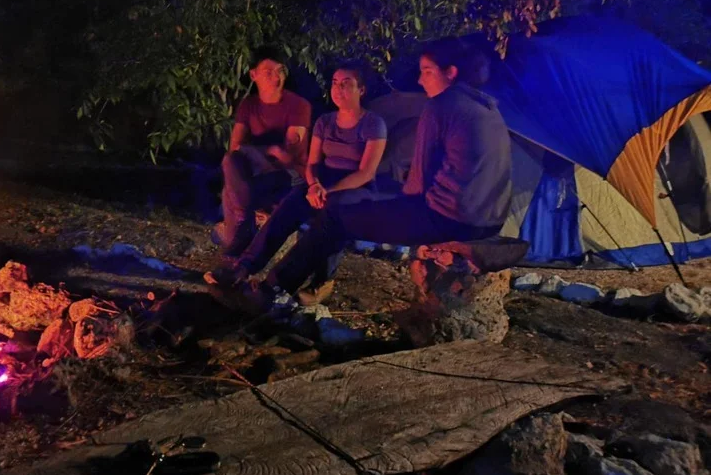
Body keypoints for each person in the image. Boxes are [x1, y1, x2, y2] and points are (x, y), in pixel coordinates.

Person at [215, 38, 512, 315]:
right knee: (300, 201)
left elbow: (417, 182)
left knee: (336, 217)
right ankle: (245, 267)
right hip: (488, 218)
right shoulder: (488, 107)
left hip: (448, 218)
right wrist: (316, 184)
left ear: (451, 72)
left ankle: (272, 291)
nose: (420, 80)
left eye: (426, 71)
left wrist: (397, 208)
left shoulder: (440, 105)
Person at [206, 63, 387, 300]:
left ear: (361, 90)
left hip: (357, 188)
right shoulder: (325, 122)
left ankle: (276, 286)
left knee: (329, 215)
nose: (338, 89)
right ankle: (243, 267)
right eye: (334, 82)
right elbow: (312, 164)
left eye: (346, 84)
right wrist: (313, 185)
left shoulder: (373, 124)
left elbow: (366, 172)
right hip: (322, 182)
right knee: (288, 207)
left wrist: (327, 190)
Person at [217, 47, 313, 260]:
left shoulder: (298, 105)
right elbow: (235, 148)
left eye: (280, 71)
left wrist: (255, 152)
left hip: (289, 175)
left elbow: (288, 158)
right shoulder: (249, 105)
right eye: (268, 72)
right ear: (254, 75)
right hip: (258, 171)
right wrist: (270, 150)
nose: (276, 77)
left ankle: (236, 250)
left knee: (232, 193)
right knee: (230, 162)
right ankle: (243, 234)